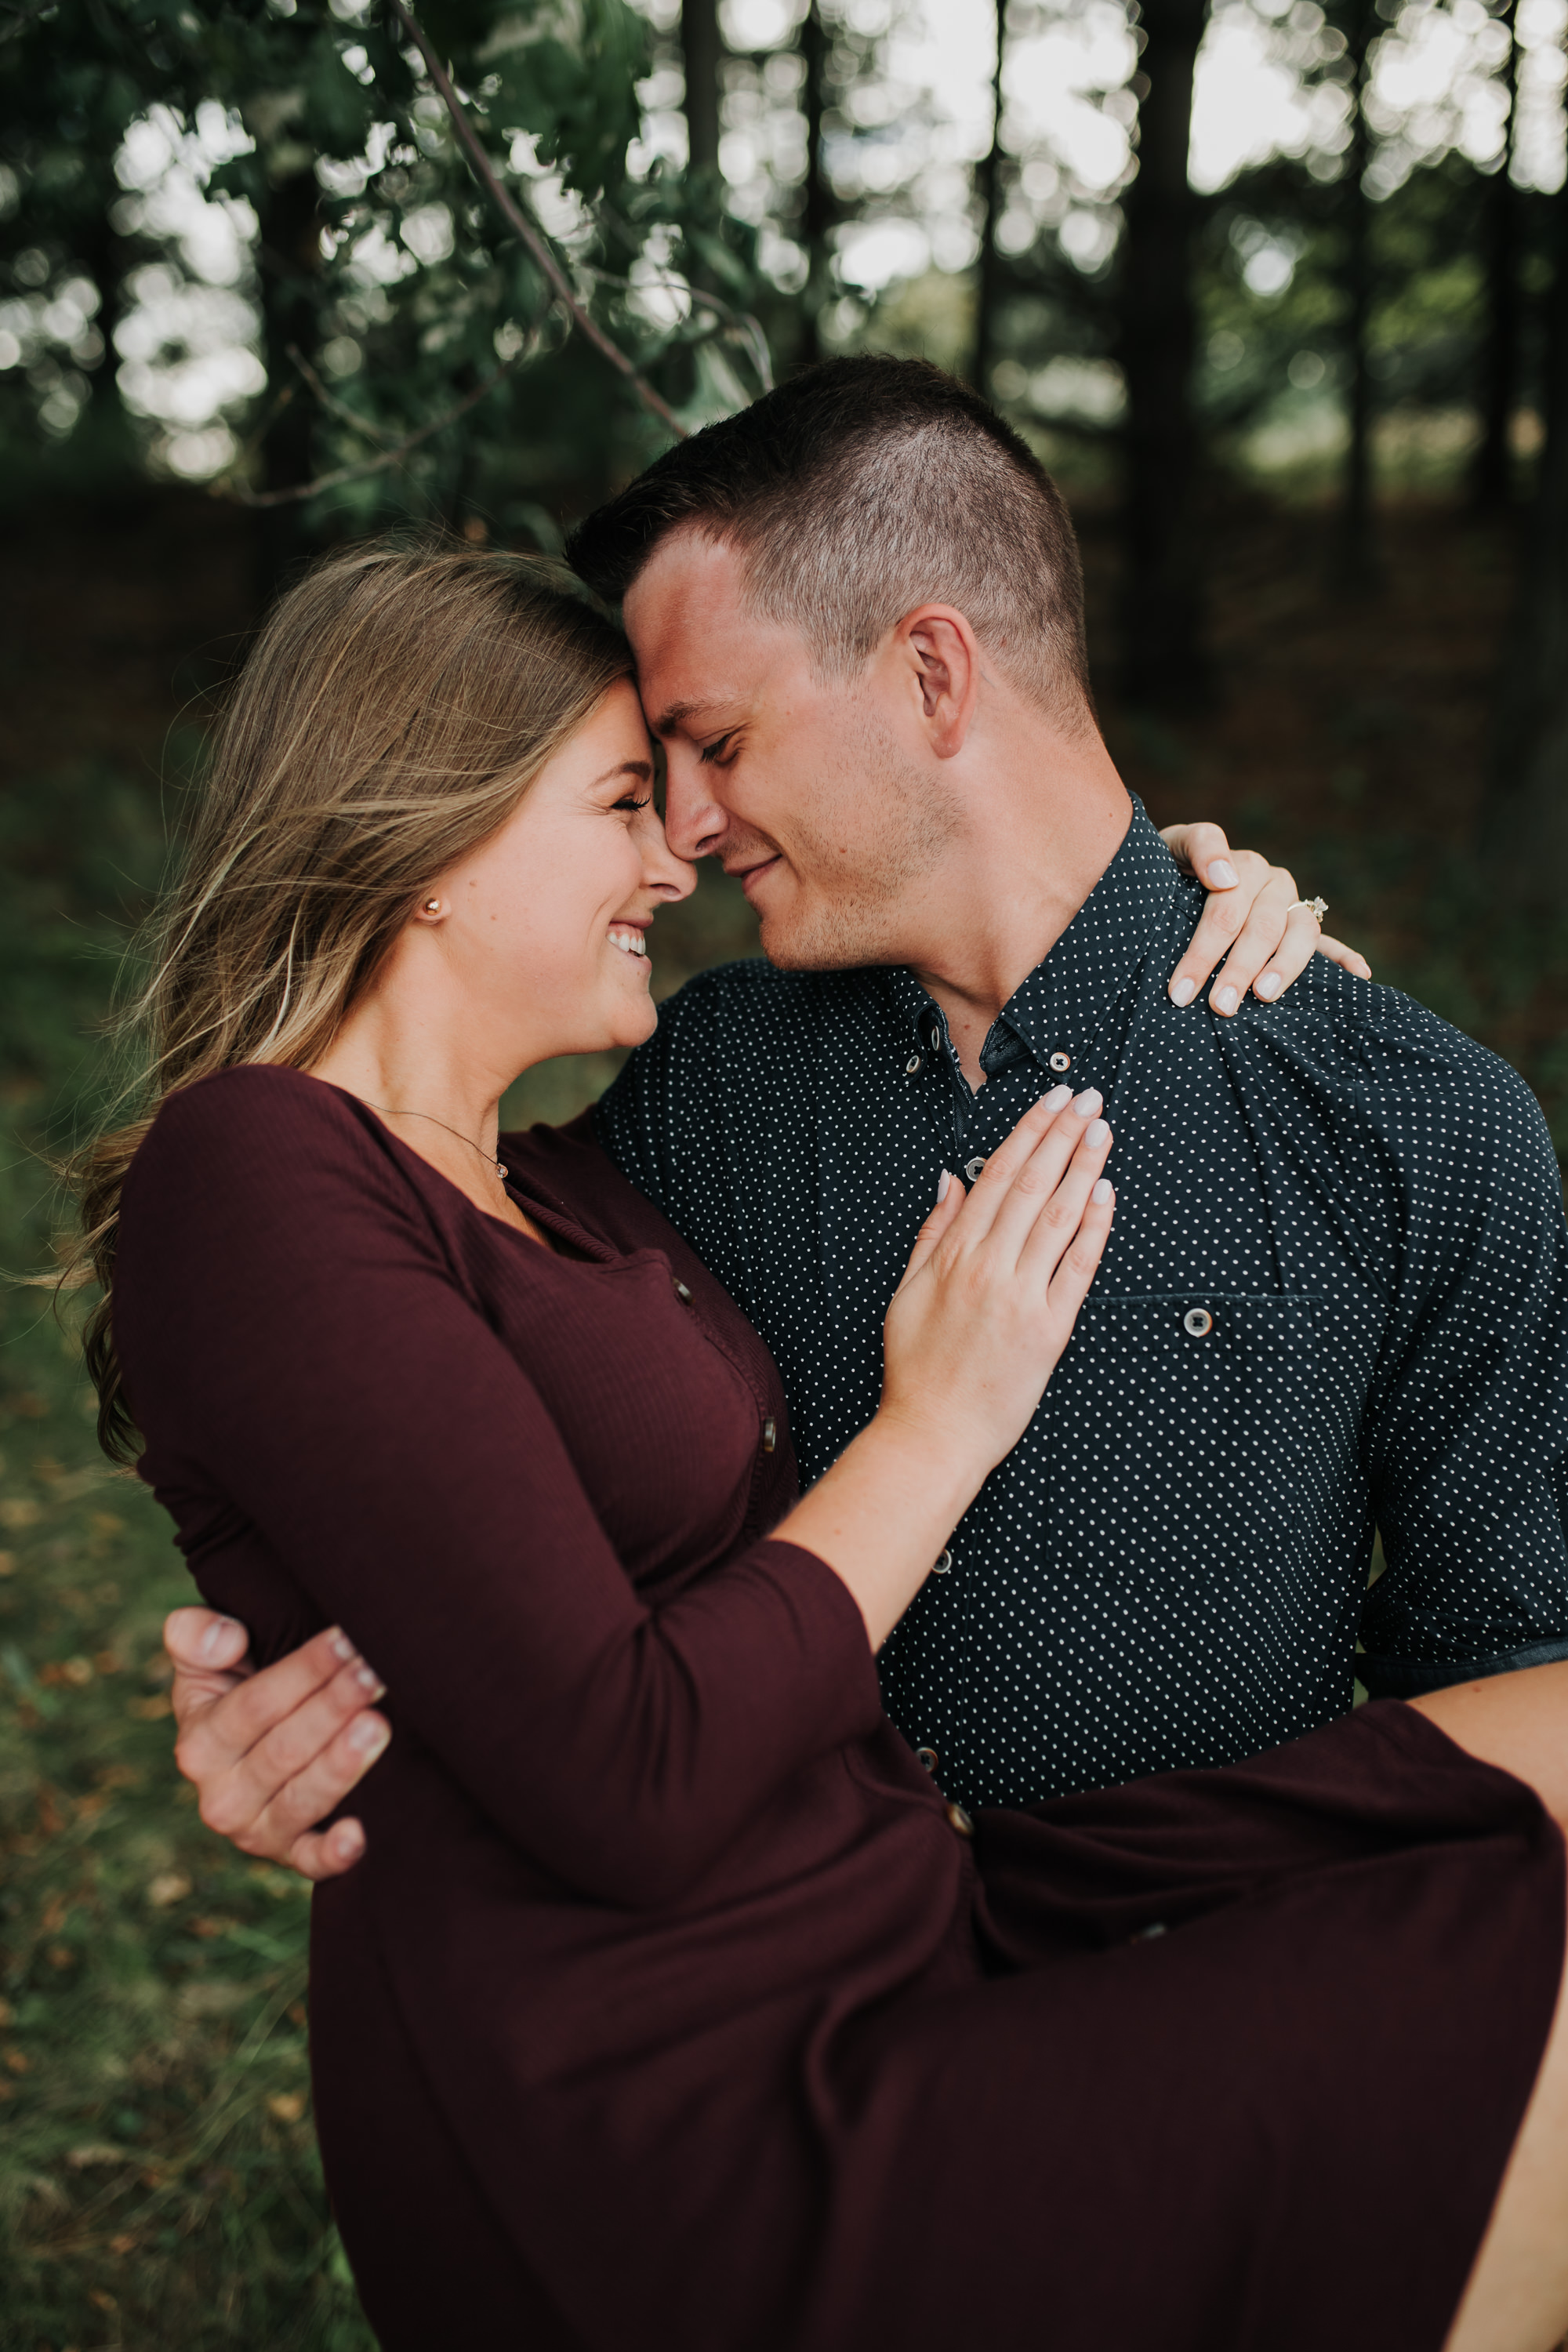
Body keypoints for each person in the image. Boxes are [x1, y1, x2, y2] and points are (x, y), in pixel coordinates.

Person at [86, 536, 1568, 2352]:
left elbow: (432, 1499)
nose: (676, 847)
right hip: (720, 2058)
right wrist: (938, 1423)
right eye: (629, 794)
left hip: (948, 1902)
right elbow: (557, 1695)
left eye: (690, 770)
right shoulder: (466, 1138)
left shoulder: (569, 1188)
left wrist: (1156, 884)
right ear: (427, 834)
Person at [174, 356, 1568, 1821]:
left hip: (1198, 1994)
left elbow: (1512, 1672)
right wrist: (310, 1695)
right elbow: (416, 1413)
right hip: (756, 2003)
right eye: (656, 774)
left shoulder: (1409, 1121)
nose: (690, 828)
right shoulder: (702, 1088)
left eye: (716, 744)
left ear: (931, 673)